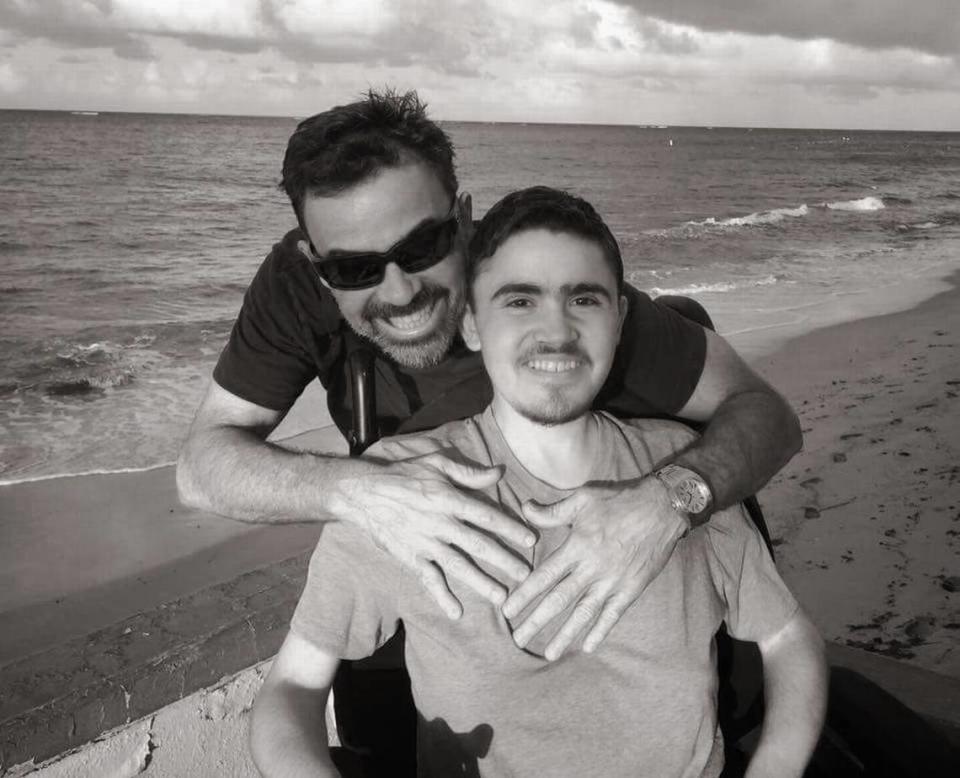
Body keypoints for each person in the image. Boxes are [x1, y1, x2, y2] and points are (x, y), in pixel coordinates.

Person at [177, 88, 802, 652]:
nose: (399, 292)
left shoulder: (547, 301)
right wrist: (360, 490)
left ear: (465, 219)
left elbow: (766, 413)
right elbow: (204, 466)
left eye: (422, 247)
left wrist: (666, 503)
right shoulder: (295, 289)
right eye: (354, 270)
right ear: (316, 266)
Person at [249, 187, 827, 778]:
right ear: (472, 325)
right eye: (520, 301)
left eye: (583, 298)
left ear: (619, 319)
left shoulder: (686, 470)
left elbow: (789, 640)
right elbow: (292, 687)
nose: (557, 330)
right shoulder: (399, 490)